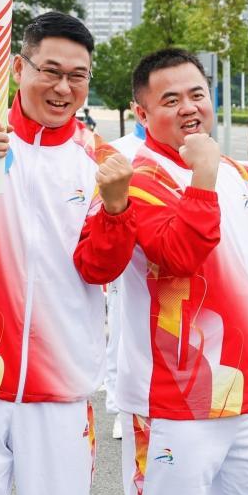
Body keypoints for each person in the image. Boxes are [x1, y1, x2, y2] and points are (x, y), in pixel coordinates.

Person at [72, 48, 248, 495]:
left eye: (197, 94)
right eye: (171, 100)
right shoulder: (138, 178)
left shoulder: (233, 172)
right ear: (142, 112)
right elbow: (178, 256)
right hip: (171, 403)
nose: (188, 107)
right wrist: (202, 175)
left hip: (244, 398)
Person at [0, 11, 135, 495]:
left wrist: (119, 207)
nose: (63, 88)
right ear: (19, 67)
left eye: (77, 76)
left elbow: (99, 269)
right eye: (50, 71)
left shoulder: (97, 158)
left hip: (61, 384)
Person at [105, 118, 148, 440]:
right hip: (127, 259)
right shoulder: (117, 151)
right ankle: (120, 407)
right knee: (121, 331)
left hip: (164, 260)